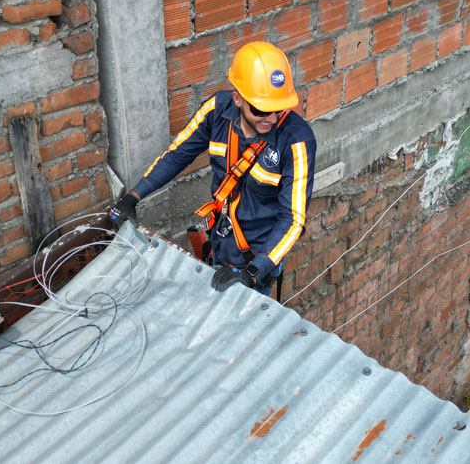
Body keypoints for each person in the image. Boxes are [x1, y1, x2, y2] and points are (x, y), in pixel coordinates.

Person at [108, 41, 316, 295]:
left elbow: (293, 220)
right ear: (237, 98)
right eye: (261, 110)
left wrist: (253, 272)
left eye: (278, 109)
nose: (271, 119)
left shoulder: (296, 142)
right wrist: (132, 197)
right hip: (220, 240)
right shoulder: (217, 111)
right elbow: (177, 155)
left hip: (257, 260)